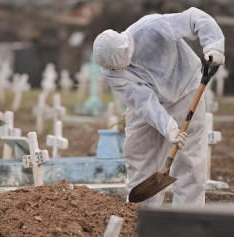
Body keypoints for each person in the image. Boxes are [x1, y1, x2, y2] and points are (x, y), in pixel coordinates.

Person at [93, 7, 225, 206]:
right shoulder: (110, 71)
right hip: (148, 105)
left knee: (189, 159)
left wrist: (213, 45)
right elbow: (144, 102)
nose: (117, 70)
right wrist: (169, 128)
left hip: (185, 90)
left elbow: (195, 18)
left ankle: (186, 219)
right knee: (138, 155)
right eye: (113, 68)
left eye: (119, 65)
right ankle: (141, 218)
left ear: (125, 48)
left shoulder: (152, 27)